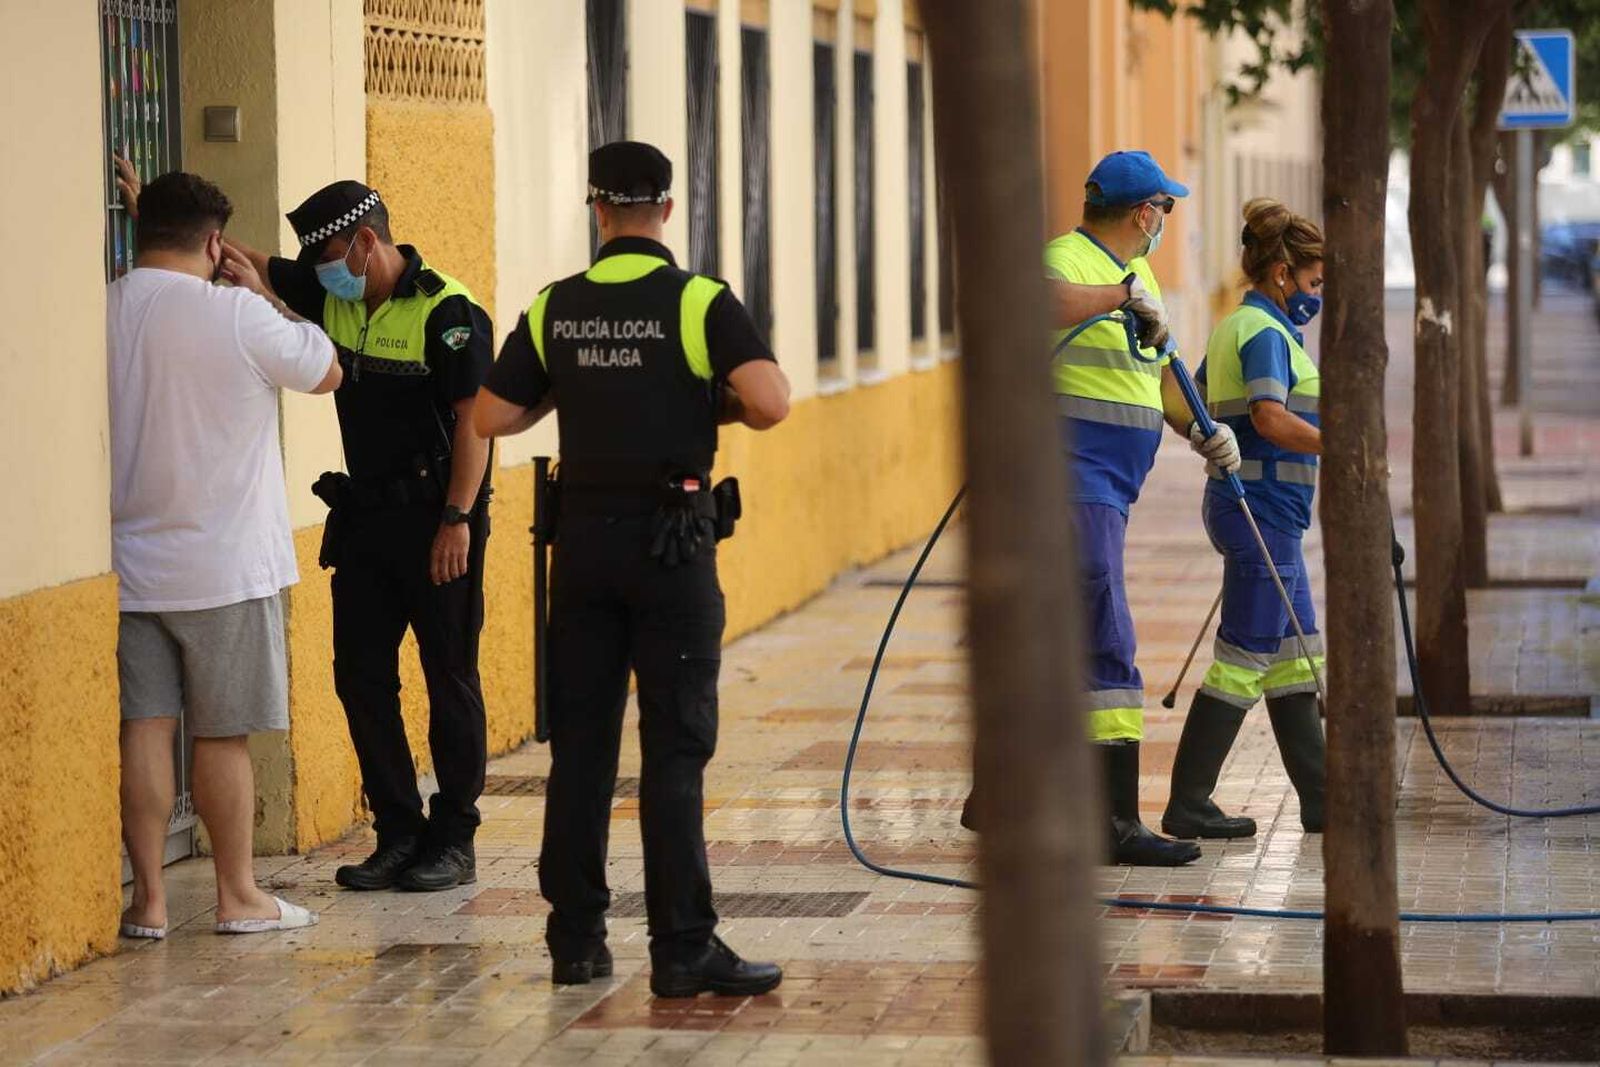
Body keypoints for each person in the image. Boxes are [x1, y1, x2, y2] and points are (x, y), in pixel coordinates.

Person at [473, 141, 791, 997]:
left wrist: (569, 390)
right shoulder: (699, 302)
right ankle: (682, 946)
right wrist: (699, 394)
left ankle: (575, 940)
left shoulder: (556, 307)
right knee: (675, 750)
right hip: (673, 552)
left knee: (580, 748)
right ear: (668, 210)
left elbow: (492, 414)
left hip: (583, 550)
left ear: (597, 209)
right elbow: (769, 401)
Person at [224, 183, 495, 892]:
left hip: (441, 521)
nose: (319, 270)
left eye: (330, 256)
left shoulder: (449, 310)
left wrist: (458, 519)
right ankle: (400, 831)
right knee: (361, 675)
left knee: (449, 676)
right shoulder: (337, 295)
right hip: (369, 520)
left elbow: (475, 423)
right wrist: (169, 223)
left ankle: (454, 834)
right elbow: (261, 263)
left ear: (366, 243)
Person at [108, 166, 339, 937]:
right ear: (215, 243)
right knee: (221, 733)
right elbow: (327, 368)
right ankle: (238, 895)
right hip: (226, 569)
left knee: (145, 725)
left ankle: (148, 900)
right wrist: (264, 293)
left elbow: (155, 285)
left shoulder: (102, 307)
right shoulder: (237, 316)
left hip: (130, 567)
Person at [1045, 150, 1240, 867]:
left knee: (1062, 633)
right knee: (1107, 633)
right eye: (1166, 209)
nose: (1166, 223)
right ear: (1142, 213)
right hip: (1071, 477)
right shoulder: (1067, 259)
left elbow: (1160, 381)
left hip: (1111, 489)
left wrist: (1203, 433)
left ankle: (997, 791)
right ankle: (1116, 822)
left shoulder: (1141, 276)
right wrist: (1117, 297)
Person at [1163, 198, 1326, 840]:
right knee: (1244, 656)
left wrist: (1210, 440)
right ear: (1282, 271)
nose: (1317, 294)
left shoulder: (1236, 327)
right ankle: (1188, 802)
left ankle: (1320, 799)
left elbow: (1188, 403)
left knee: (1292, 654)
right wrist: (1344, 441)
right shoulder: (1265, 334)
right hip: (1259, 511)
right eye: (1313, 282)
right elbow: (1268, 416)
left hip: (1256, 509)